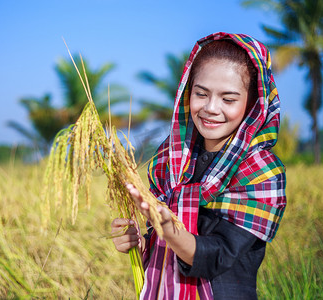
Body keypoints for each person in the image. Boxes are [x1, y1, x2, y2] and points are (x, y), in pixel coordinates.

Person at [112, 32, 286, 299]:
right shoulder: (169, 160)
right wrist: (139, 241)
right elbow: (161, 246)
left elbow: (219, 255)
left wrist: (170, 232)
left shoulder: (260, 171)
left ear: (252, 105)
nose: (211, 108)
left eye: (228, 99)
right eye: (201, 94)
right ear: (187, 92)